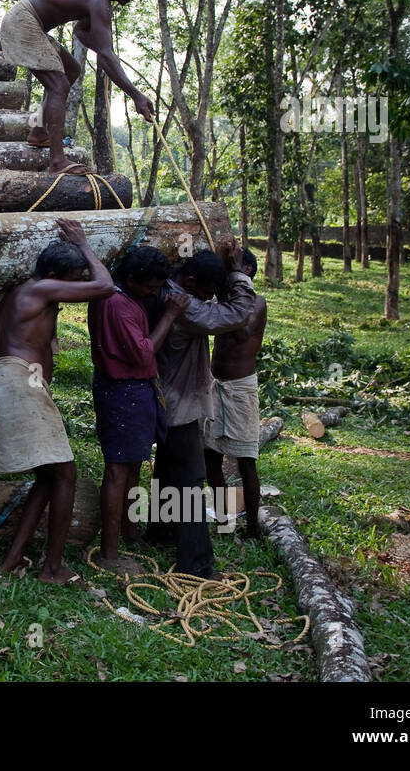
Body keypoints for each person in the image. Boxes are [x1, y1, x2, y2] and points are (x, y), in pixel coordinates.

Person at [0, 219, 115, 584]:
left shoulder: (25, 291)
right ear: (56, 275)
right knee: (65, 475)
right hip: (19, 380)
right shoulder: (39, 290)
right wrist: (86, 246)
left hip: (15, 379)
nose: (78, 284)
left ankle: (13, 557)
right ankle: (52, 567)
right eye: (74, 276)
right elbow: (104, 286)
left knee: (48, 475)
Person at [147, 241, 257, 579]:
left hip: (168, 397)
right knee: (190, 481)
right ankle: (196, 564)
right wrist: (239, 277)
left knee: (167, 469)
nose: (211, 297)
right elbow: (238, 314)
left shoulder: (168, 288)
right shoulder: (185, 306)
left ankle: (160, 532)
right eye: (209, 291)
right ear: (192, 283)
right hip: (178, 403)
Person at [0, 0, 157, 176]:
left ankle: (38, 131)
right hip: (22, 22)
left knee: (72, 69)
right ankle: (57, 161)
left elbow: (81, 31)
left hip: (28, 22)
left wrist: (103, 51)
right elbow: (106, 56)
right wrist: (136, 95)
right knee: (59, 86)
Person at [88, 245, 188, 571]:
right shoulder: (117, 305)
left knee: (132, 467)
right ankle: (109, 554)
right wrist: (171, 316)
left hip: (134, 390)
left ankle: (129, 533)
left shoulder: (123, 297)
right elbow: (144, 354)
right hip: (122, 391)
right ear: (130, 279)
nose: (153, 294)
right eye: (149, 287)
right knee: (118, 470)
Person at [204, 249, 268, 538]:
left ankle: (253, 528)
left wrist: (235, 281)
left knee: (246, 461)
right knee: (210, 459)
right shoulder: (222, 299)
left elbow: (242, 332)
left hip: (241, 388)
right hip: (216, 385)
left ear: (248, 271)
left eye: (236, 266)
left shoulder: (257, 303)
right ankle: (222, 521)